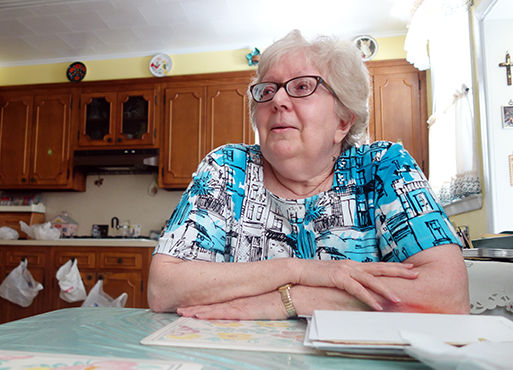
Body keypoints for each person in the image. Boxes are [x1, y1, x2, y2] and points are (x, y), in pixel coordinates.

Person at [148, 30, 469, 320]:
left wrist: (291, 300)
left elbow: (448, 297)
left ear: (342, 121)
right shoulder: (227, 169)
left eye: (302, 86)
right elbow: (164, 288)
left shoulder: (384, 165)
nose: (277, 100)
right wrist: (298, 270)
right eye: (267, 90)